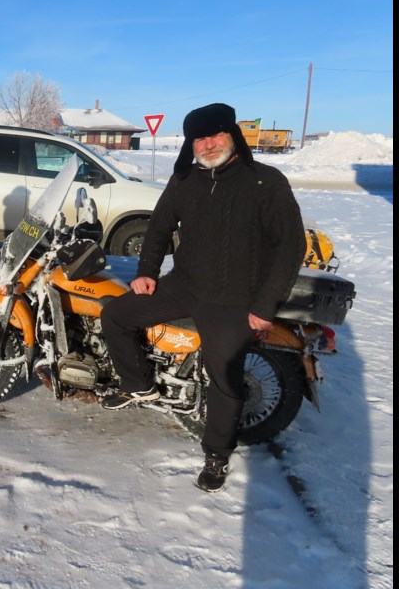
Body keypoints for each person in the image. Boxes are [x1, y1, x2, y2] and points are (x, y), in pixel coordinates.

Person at [99, 103, 305, 493]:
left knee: (224, 377)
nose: (208, 144)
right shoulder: (185, 180)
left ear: (233, 137)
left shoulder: (266, 182)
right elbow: (159, 226)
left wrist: (265, 306)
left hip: (235, 300)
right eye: (200, 138)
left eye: (216, 135)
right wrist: (146, 271)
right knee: (116, 315)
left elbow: (289, 248)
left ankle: (217, 454)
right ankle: (139, 385)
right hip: (185, 284)